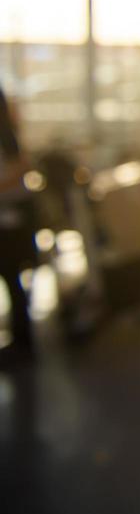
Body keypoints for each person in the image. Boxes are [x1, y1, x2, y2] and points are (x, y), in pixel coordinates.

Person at [0, 85, 37, 359]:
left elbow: (24, 167)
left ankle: (23, 342)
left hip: (11, 220)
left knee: (12, 278)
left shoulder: (7, 138)